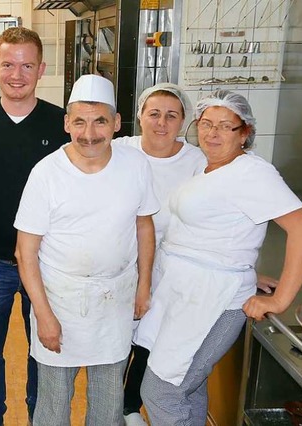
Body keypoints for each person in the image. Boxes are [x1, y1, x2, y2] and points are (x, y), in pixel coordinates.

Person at [138, 90, 302, 425]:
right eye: (206, 124)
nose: (212, 133)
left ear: (245, 133)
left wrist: (279, 300)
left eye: (225, 126)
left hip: (215, 300)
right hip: (187, 294)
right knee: (187, 389)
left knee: (162, 391)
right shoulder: (213, 169)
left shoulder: (252, 173)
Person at [14, 74, 159, 426]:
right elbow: (25, 253)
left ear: (115, 123)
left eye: (100, 121)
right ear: (66, 123)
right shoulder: (46, 173)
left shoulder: (136, 166)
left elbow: (144, 225)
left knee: (108, 401)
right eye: (79, 121)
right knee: (54, 402)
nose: (89, 133)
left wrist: (143, 285)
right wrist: (44, 315)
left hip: (115, 297)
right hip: (60, 299)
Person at [0, 26, 69, 425]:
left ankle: (39, 415)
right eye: (8, 64)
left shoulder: (62, 125)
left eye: (26, 65)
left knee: (43, 346)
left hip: (46, 262)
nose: (16, 74)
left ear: (41, 69)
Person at [112, 83, 205, 426]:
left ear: (184, 121)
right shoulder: (121, 149)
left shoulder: (197, 161)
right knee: (119, 340)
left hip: (174, 267)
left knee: (152, 339)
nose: (161, 123)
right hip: (121, 261)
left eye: (171, 115)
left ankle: (130, 406)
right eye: (153, 114)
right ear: (139, 117)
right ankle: (119, 407)